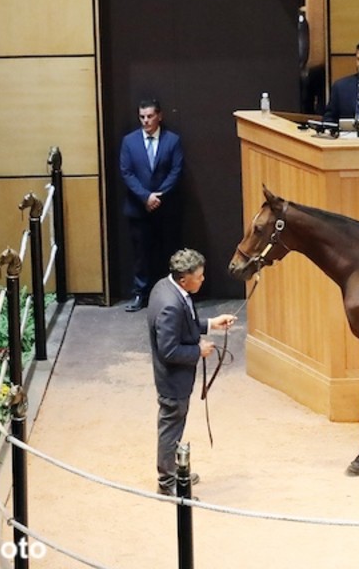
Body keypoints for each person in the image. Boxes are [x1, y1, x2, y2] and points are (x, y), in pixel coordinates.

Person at [148, 248, 236, 495]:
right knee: (171, 426)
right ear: (184, 279)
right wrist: (199, 351)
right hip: (172, 381)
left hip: (176, 380)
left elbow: (183, 326)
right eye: (199, 276)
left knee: (174, 425)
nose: (203, 279)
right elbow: (169, 350)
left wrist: (210, 324)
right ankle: (167, 483)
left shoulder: (166, 288)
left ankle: (175, 473)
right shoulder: (170, 306)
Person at [120, 98, 184, 312]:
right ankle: (141, 294)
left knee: (168, 251)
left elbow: (176, 171)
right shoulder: (129, 141)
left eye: (149, 116)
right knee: (141, 254)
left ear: (159, 116)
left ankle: (172, 295)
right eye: (142, 117)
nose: (146, 121)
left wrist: (159, 196)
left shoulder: (172, 140)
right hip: (139, 208)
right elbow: (126, 173)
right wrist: (145, 197)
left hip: (166, 208)